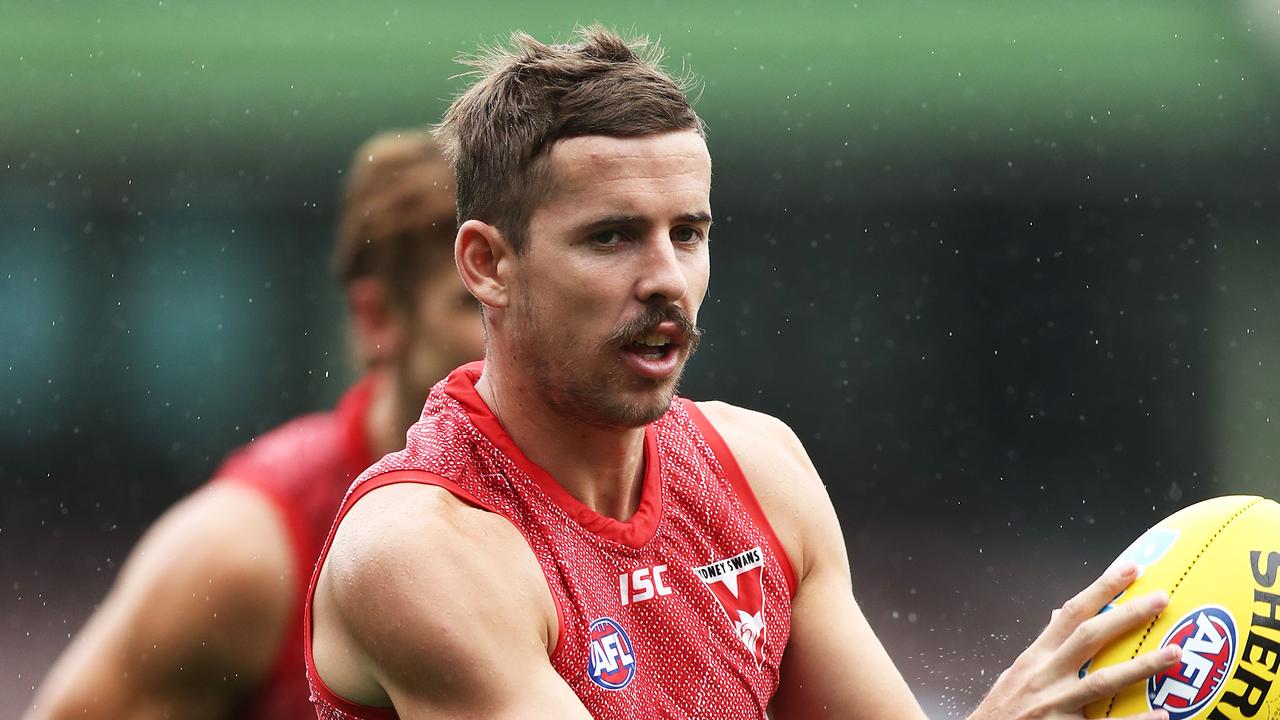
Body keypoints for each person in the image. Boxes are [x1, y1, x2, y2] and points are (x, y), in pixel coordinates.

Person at [306, 29, 1181, 720]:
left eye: (687, 233)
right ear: (487, 264)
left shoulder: (759, 469)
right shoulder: (419, 551)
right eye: (610, 236)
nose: (665, 280)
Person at [25, 131, 485, 720]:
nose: (513, 326)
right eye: (473, 301)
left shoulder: (620, 500)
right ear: (378, 317)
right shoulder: (244, 556)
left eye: (526, 294)